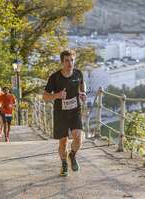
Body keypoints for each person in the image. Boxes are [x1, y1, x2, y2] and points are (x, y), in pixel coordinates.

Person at [43, 49, 87, 177]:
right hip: (60, 113)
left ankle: (72, 155)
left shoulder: (78, 74)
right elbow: (45, 96)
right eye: (67, 61)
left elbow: (82, 86)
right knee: (63, 142)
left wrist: (83, 94)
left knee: (78, 137)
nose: (70, 63)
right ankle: (64, 163)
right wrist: (57, 95)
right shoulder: (55, 77)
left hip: (75, 111)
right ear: (62, 62)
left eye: (72, 60)